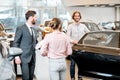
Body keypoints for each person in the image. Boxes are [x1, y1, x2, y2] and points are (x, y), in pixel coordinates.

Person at [13, 10, 38, 80]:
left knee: (30, 77)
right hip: (24, 57)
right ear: (30, 17)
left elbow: (35, 42)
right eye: (35, 17)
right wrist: (17, 57)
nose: (36, 19)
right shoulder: (21, 28)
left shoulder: (34, 29)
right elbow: (16, 43)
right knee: (26, 78)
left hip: (33, 57)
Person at [66, 11, 90, 80]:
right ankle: (72, 78)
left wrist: (99, 37)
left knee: (81, 64)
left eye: (78, 16)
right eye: (75, 16)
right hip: (73, 47)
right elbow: (67, 37)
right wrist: (73, 41)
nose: (77, 17)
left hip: (81, 48)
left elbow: (89, 33)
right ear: (73, 17)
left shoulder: (83, 26)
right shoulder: (70, 26)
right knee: (72, 64)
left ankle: (80, 77)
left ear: (80, 17)